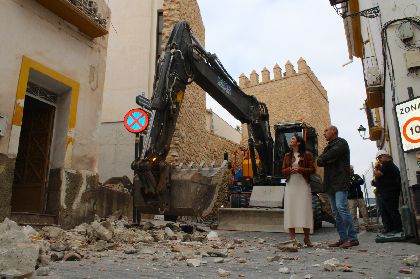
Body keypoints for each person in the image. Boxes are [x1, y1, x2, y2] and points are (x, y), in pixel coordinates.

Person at [317, 125, 359, 249]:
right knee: (336, 212)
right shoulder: (328, 147)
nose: (324, 133)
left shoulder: (341, 143)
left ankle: (353, 238)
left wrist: (327, 159)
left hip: (340, 181)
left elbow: (326, 157)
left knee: (342, 208)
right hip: (330, 183)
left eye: (326, 130)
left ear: (333, 131)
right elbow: (320, 161)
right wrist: (327, 159)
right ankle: (343, 238)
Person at [282, 134, 315, 247]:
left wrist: (300, 169)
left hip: (303, 184)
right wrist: (290, 169)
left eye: (293, 139)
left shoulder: (307, 155)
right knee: (291, 209)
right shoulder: (287, 155)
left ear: (299, 142)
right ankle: (293, 239)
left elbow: (312, 169)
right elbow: (283, 170)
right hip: (291, 184)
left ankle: (307, 238)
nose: (290, 140)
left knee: (305, 209)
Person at [373, 150, 403, 233]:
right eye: (378, 158)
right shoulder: (388, 166)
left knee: (392, 211)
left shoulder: (387, 165)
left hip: (390, 192)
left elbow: (377, 175)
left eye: (380, 157)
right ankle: (390, 228)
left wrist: (375, 169)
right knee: (387, 211)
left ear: (386, 156)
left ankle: (397, 228)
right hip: (387, 192)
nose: (379, 160)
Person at [348, 165, 370, 232]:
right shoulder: (345, 178)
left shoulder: (356, 176)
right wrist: (355, 183)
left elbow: (362, 181)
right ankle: (355, 227)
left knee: (364, 212)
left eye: (352, 169)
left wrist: (353, 183)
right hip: (351, 198)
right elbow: (348, 186)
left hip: (359, 197)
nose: (352, 170)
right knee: (352, 214)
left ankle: (367, 225)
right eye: (351, 169)